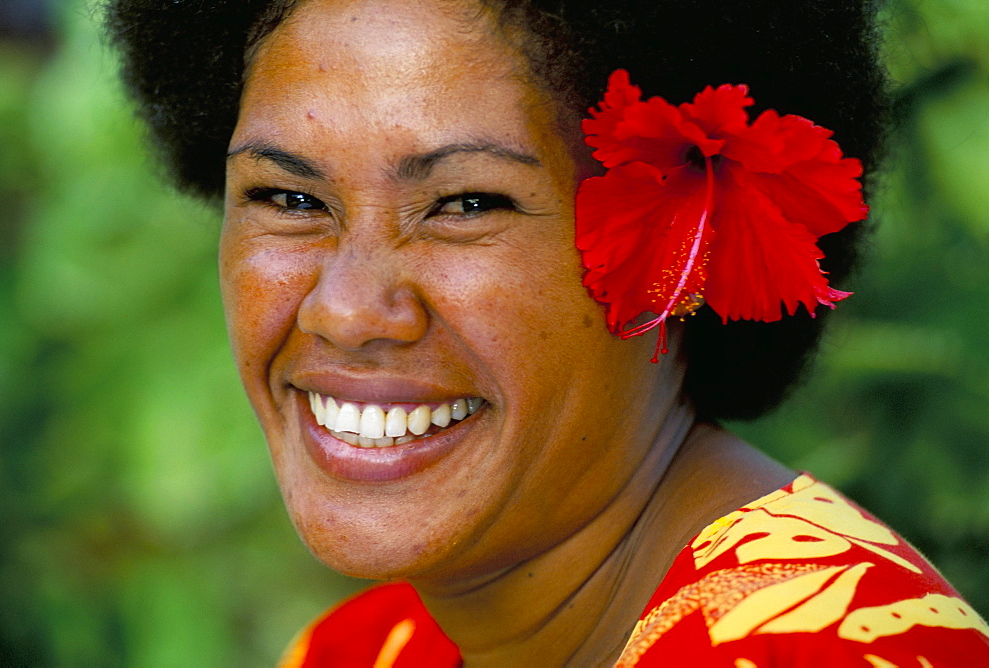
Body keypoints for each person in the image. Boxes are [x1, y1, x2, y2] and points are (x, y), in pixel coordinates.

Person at [104, 0, 989, 664]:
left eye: (466, 204)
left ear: (683, 249)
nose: (345, 308)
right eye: (289, 199)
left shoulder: (832, 645)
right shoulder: (367, 649)